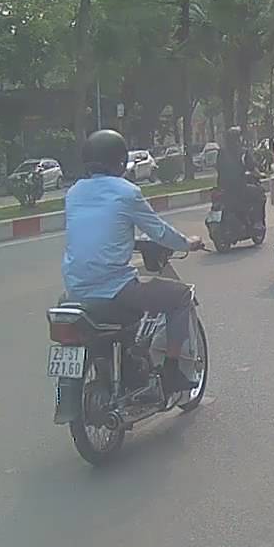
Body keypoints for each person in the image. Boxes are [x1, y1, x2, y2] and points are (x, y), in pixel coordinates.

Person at [63, 130, 204, 401]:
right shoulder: (126, 192)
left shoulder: (74, 193)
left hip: (75, 291)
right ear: (119, 161)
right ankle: (173, 370)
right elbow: (160, 232)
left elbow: (97, 231)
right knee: (180, 295)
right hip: (115, 290)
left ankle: (123, 366)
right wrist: (188, 243)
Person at [217, 126, 265, 230]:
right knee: (260, 193)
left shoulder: (221, 152)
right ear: (238, 138)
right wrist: (260, 174)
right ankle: (257, 222)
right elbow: (253, 168)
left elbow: (218, 168)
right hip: (239, 188)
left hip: (223, 188)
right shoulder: (243, 152)